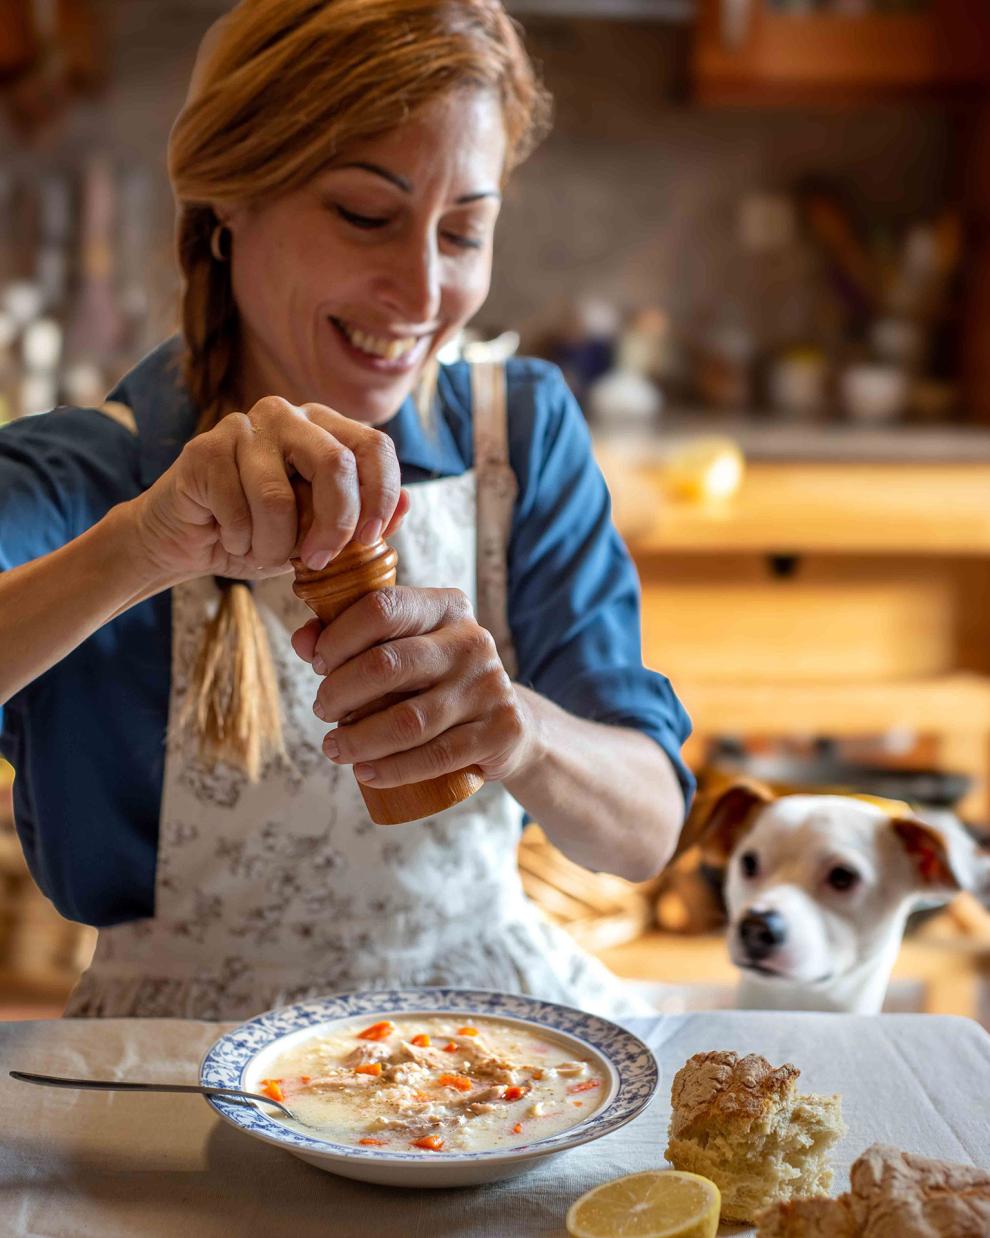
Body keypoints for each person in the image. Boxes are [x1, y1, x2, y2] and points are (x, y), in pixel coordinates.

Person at [0, 0, 693, 1021]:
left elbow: (644, 830)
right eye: (365, 215)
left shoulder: (519, 439)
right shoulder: (89, 472)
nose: (421, 290)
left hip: (481, 1038)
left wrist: (523, 735)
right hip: (171, 1074)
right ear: (228, 199)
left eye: (463, 230)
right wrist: (141, 546)